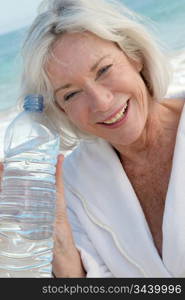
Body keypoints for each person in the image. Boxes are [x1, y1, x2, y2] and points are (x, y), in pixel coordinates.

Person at [1, 0, 185, 277]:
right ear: (62, 110)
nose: (100, 102)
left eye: (103, 70)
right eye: (71, 94)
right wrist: (58, 242)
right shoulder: (72, 186)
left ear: (133, 56)